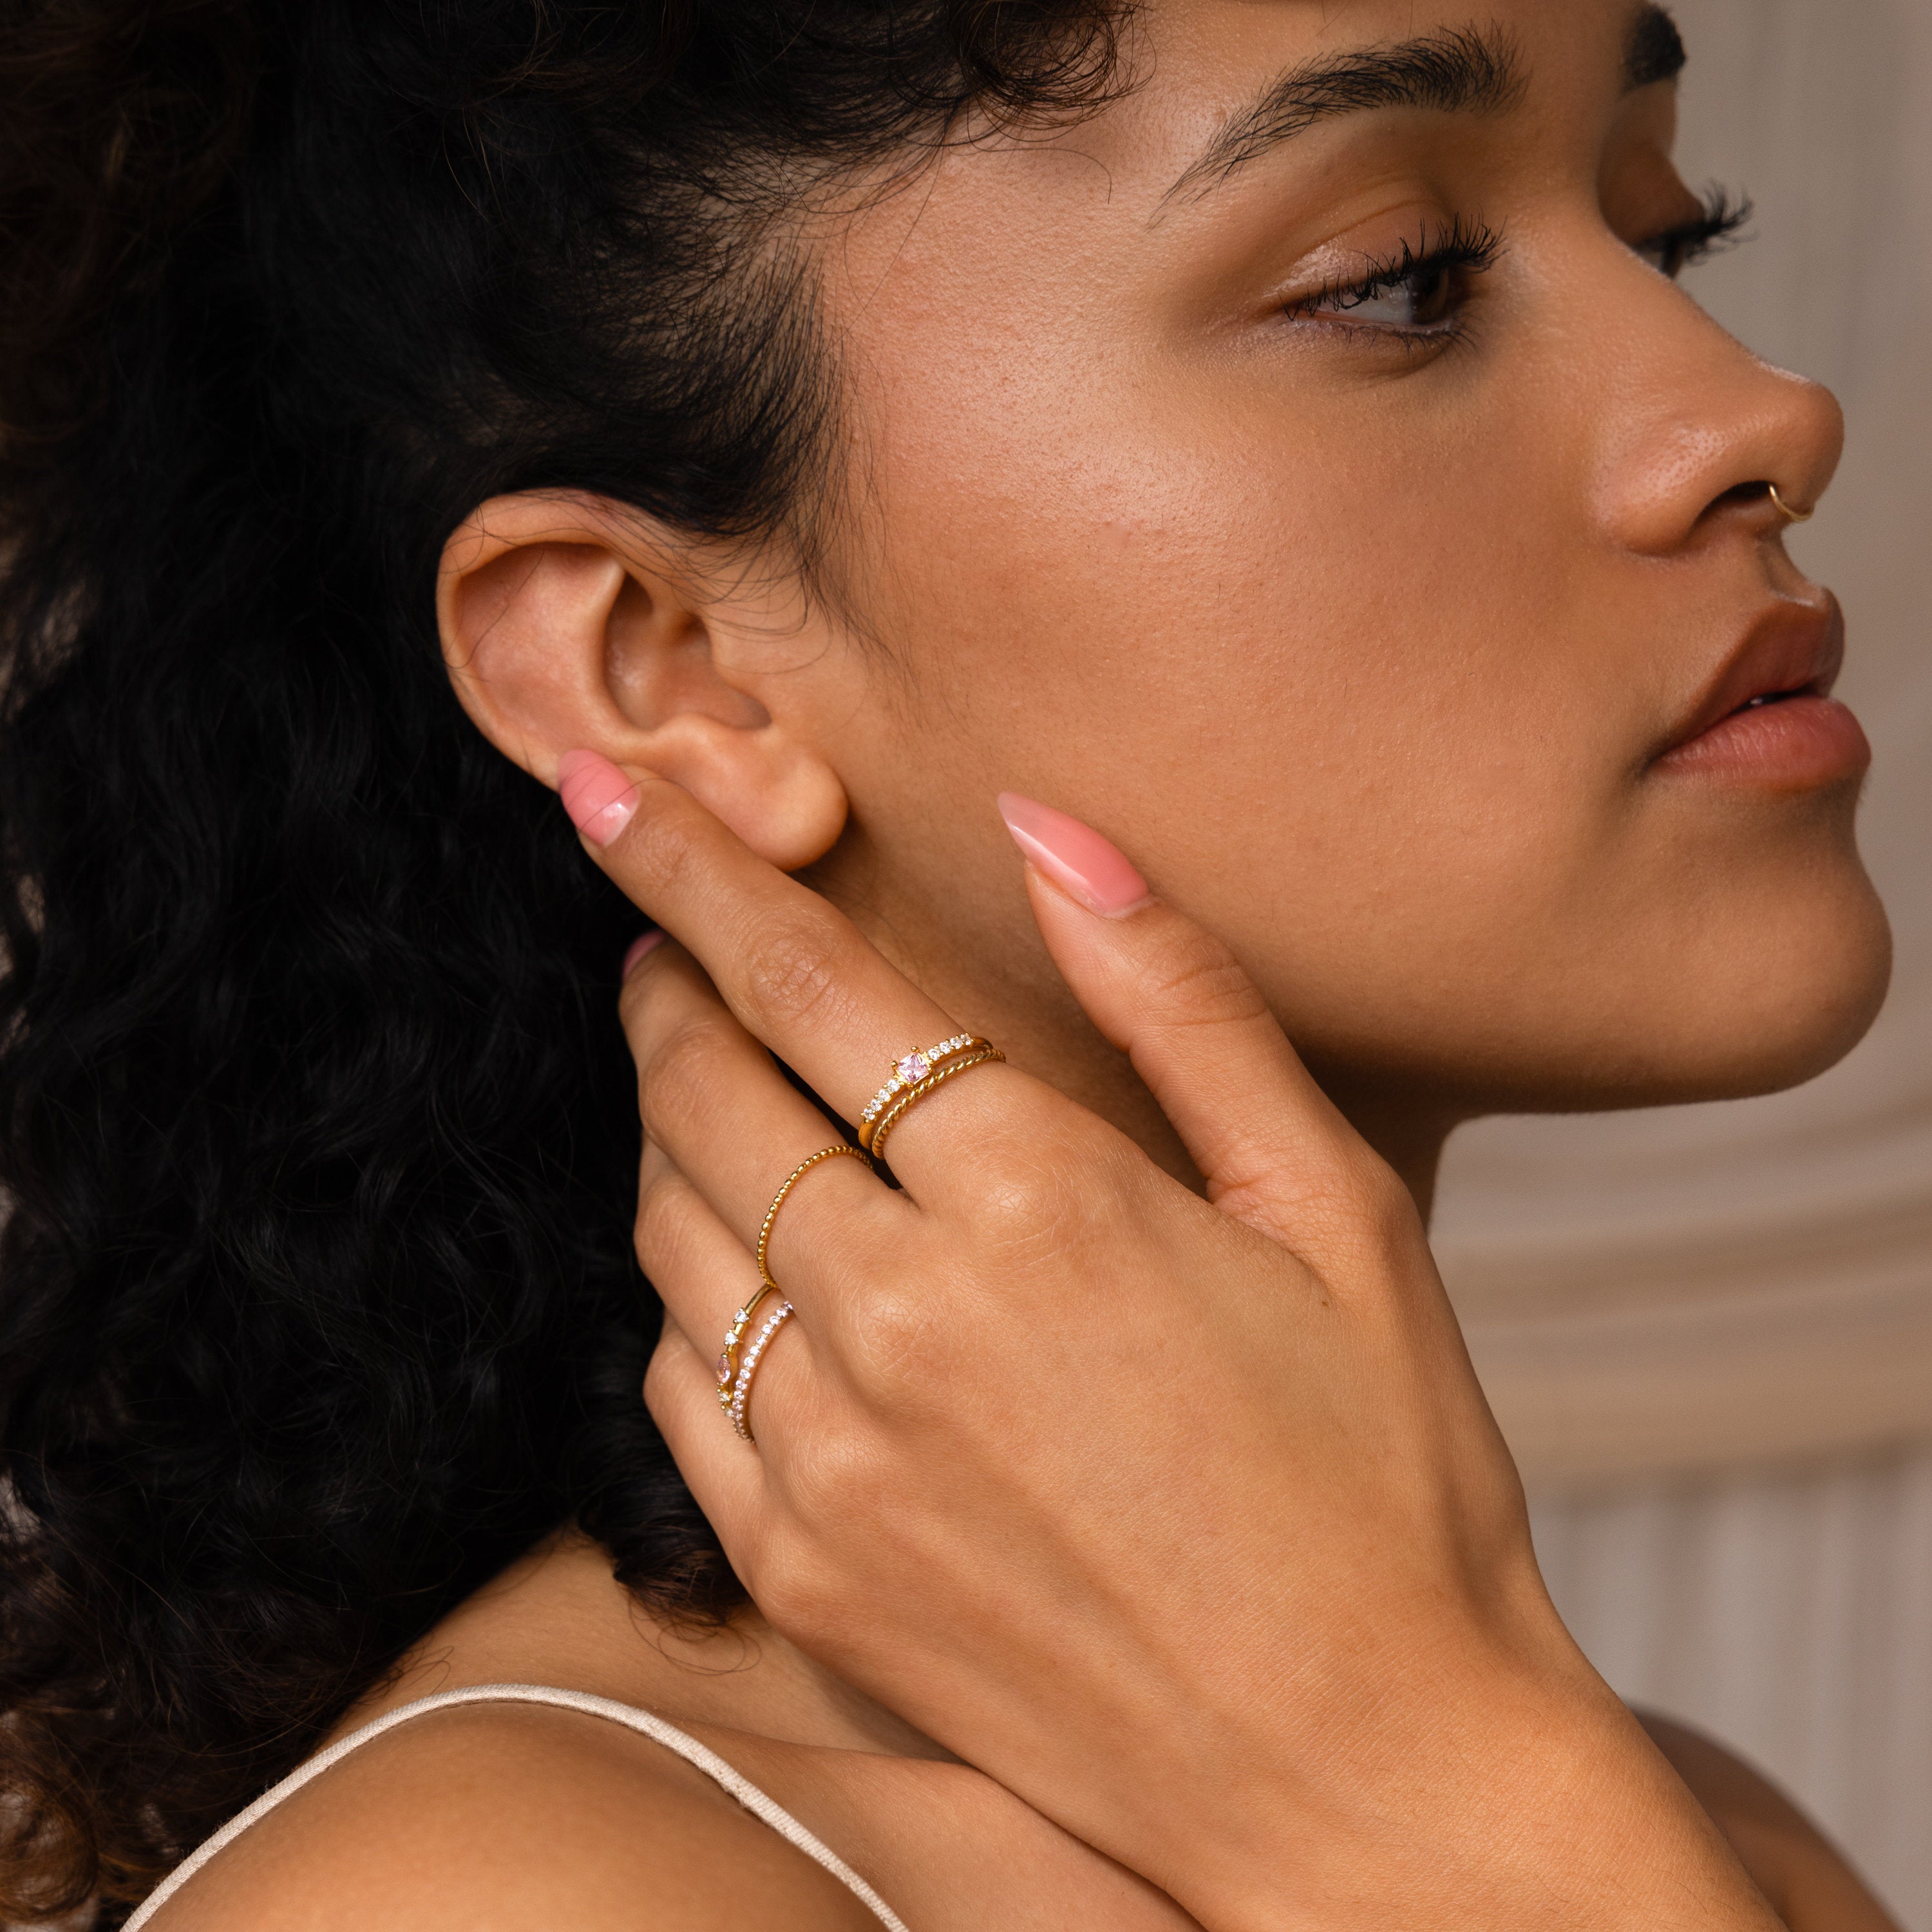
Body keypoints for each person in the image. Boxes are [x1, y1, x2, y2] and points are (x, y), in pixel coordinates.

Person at [0, 0, 1902, 1926]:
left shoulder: (1693, 1837)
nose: (1760, 414)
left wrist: (1426, 1792)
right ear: (665, 659)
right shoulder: (501, 1902)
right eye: (1399, 284)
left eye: (1665, 228)